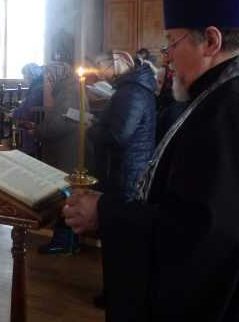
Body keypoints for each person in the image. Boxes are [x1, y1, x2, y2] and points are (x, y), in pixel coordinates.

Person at [63, 0, 239, 321]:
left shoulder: (232, 110)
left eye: (171, 42)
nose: (167, 58)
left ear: (211, 41)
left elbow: (202, 237)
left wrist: (105, 213)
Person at [87, 49, 156, 309]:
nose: (100, 72)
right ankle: (115, 291)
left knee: (120, 239)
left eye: (102, 65)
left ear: (120, 61)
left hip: (126, 173)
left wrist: (93, 128)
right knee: (117, 237)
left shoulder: (132, 92)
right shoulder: (131, 88)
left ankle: (118, 295)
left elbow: (118, 136)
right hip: (124, 169)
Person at [37, 62, 87, 255]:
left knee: (66, 197)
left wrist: (38, 131)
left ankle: (64, 242)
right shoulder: (70, 88)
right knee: (68, 195)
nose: (47, 81)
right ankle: (69, 241)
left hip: (68, 151)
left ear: (57, 74)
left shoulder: (69, 92)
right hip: (69, 149)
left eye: (49, 76)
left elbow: (59, 124)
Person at [12, 63, 44, 157]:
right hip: (35, 121)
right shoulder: (38, 85)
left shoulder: (38, 88)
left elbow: (28, 109)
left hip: (34, 124)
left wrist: (14, 113)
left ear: (31, 75)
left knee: (29, 153)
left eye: (24, 75)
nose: (24, 78)